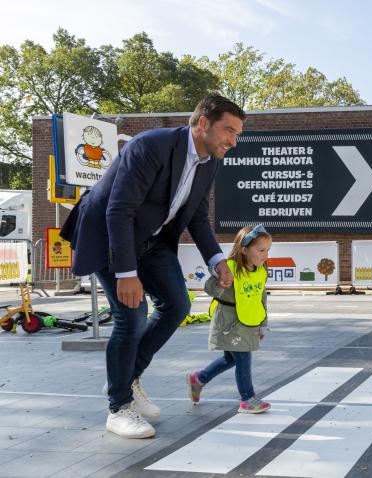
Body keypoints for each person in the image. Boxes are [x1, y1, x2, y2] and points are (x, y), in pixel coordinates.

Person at [60, 95, 246, 439]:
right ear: (203, 123)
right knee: (131, 317)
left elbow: (198, 217)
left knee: (178, 305)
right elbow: (118, 209)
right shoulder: (151, 146)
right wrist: (126, 273)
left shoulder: (210, 161)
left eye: (237, 134)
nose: (233, 141)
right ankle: (118, 408)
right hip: (108, 232)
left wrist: (218, 260)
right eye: (229, 131)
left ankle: (126, 379)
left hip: (152, 238)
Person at [187, 224, 273, 414]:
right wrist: (220, 280)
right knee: (242, 356)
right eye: (260, 250)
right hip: (230, 322)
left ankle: (199, 379)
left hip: (249, 322)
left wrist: (263, 324)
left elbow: (261, 297)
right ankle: (247, 398)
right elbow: (209, 288)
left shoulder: (260, 270)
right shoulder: (229, 267)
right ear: (243, 250)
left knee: (230, 359)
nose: (265, 255)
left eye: (267, 250)